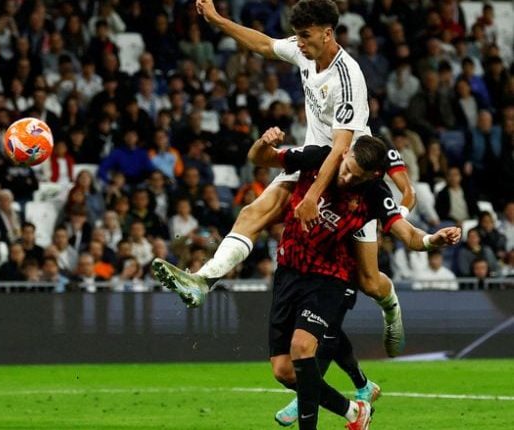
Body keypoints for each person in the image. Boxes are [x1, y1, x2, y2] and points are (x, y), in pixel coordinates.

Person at [156, 0, 414, 357]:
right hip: (313, 160)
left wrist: (312, 197)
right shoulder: (305, 50)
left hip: (349, 176)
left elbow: (340, 149)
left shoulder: (348, 77)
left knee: (369, 281)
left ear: (327, 34)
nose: (299, 43)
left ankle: (391, 307)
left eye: (306, 36)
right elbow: (263, 44)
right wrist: (217, 20)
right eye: (297, 36)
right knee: (254, 211)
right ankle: (203, 281)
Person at [170, 129, 459, 430]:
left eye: (357, 177)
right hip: (289, 270)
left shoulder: (375, 193)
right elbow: (259, 158)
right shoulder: (318, 157)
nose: (347, 178)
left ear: (373, 175)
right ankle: (353, 412)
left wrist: (433, 240)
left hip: (329, 277)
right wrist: (264, 142)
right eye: (347, 169)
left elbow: (408, 234)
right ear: (345, 154)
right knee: (284, 371)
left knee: (302, 347)